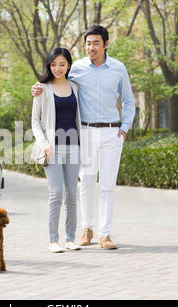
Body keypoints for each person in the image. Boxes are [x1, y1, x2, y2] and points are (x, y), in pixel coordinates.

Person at [32, 25, 136, 250]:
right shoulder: (76, 67)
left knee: (108, 185)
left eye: (96, 43)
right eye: (88, 43)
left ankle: (105, 234)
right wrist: (38, 88)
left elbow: (129, 101)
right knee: (86, 183)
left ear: (106, 44)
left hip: (111, 132)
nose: (91, 47)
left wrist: (124, 129)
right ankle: (87, 229)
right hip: (85, 133)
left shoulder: (118, 68)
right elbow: (55, 79)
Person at [31, 48, 82, 253]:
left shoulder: (76, 87)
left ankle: (70, 238)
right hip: (52, 148)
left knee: (71, 194)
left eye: (62, 64)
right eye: (53, 65)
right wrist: (44, 144)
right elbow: (35, 121)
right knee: (56, 193)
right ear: (48, 66)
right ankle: (53, 240)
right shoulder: (42, 89)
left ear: (68, 65)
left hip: (73, 146)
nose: (57, 68)